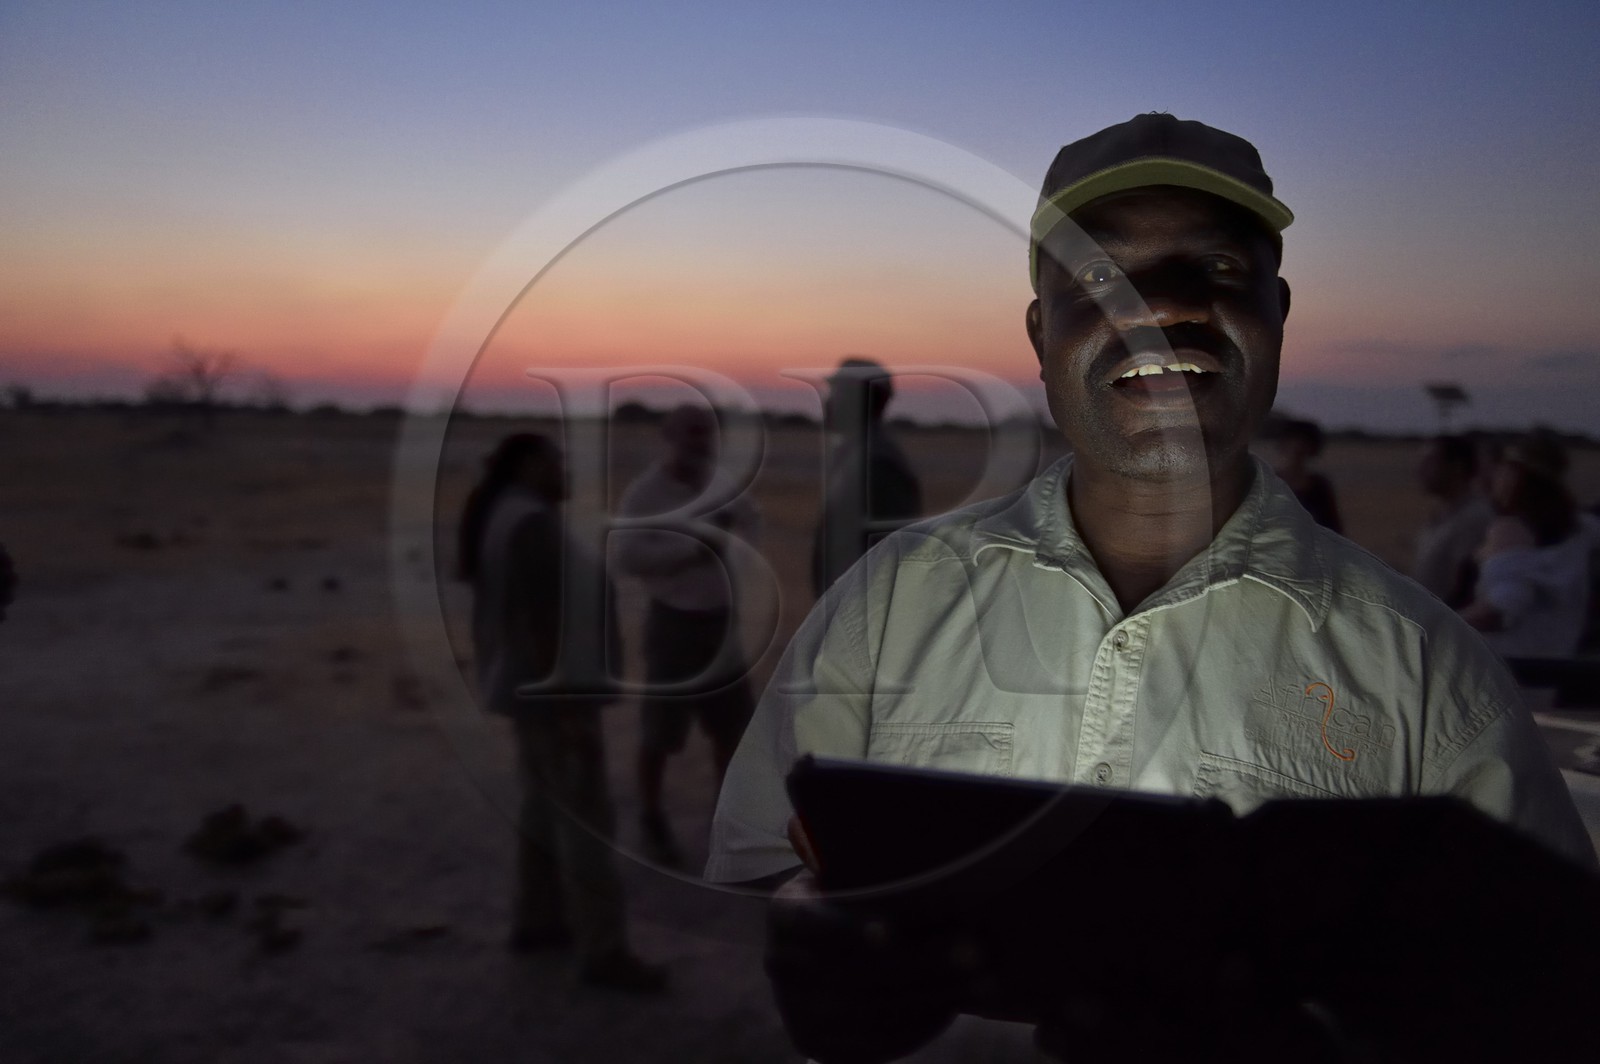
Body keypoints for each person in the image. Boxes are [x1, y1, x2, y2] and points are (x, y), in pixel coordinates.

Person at [707, 114, 1595, 1060]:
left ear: (1279, 309)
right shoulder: (889, 603)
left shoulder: (1427, 672)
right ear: (1040, 329)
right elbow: (765, 859)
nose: (1162, 307)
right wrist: (818, 931)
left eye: (1215, 268)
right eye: (1099, 277)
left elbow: (1546, 991)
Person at [457, 433, 665, 993]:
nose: (564, 472)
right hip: (552, 699)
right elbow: (542, 622)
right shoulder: (531, 524)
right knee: (586, 822)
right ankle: (605, 951)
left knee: (543, 809)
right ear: (529, 466)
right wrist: (569, 706)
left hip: (528, 694)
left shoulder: (507, 511)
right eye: (556, 463)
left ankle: (538, 920)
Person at [612, 405, 759, 867]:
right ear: (668, 435)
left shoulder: (725, 486)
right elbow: (629, 556)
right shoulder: (646, 494)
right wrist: (694, 549)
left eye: (707, 432)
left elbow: (751, 528)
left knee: (732, 728)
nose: (701, 441)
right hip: (673, 623)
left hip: (721, 625)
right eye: (691, 432)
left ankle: (728, 822)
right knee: (660, 732)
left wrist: (734, 547)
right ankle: (653, 821)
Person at [1459, 433, 1591, 659]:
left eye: (1502, 468)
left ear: (1516, 475)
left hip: (1508, 669)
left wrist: (1437, 623)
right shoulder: (1580, 529)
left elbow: (1501, 608)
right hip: (1552, 665)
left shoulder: (1512, 530)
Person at [811, 357, 923, 597]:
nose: (828, 401)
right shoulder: (856, 453)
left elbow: (889, 555)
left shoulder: (878, 462)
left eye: (837, 392)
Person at [1412, 433, 1493, 607]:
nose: (1420, 470)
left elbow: (1466, 589)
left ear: (1457, 467)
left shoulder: (1473, 519)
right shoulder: (1440, 517)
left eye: (1430, 462)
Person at [1268, 417, 1341, 532]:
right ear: (1283, 444)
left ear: (1313, 448)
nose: (1297, 447)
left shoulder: (1319, 486)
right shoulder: (1268, 481)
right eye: (1292, 441)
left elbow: (1332, 527)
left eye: (1304, 442)